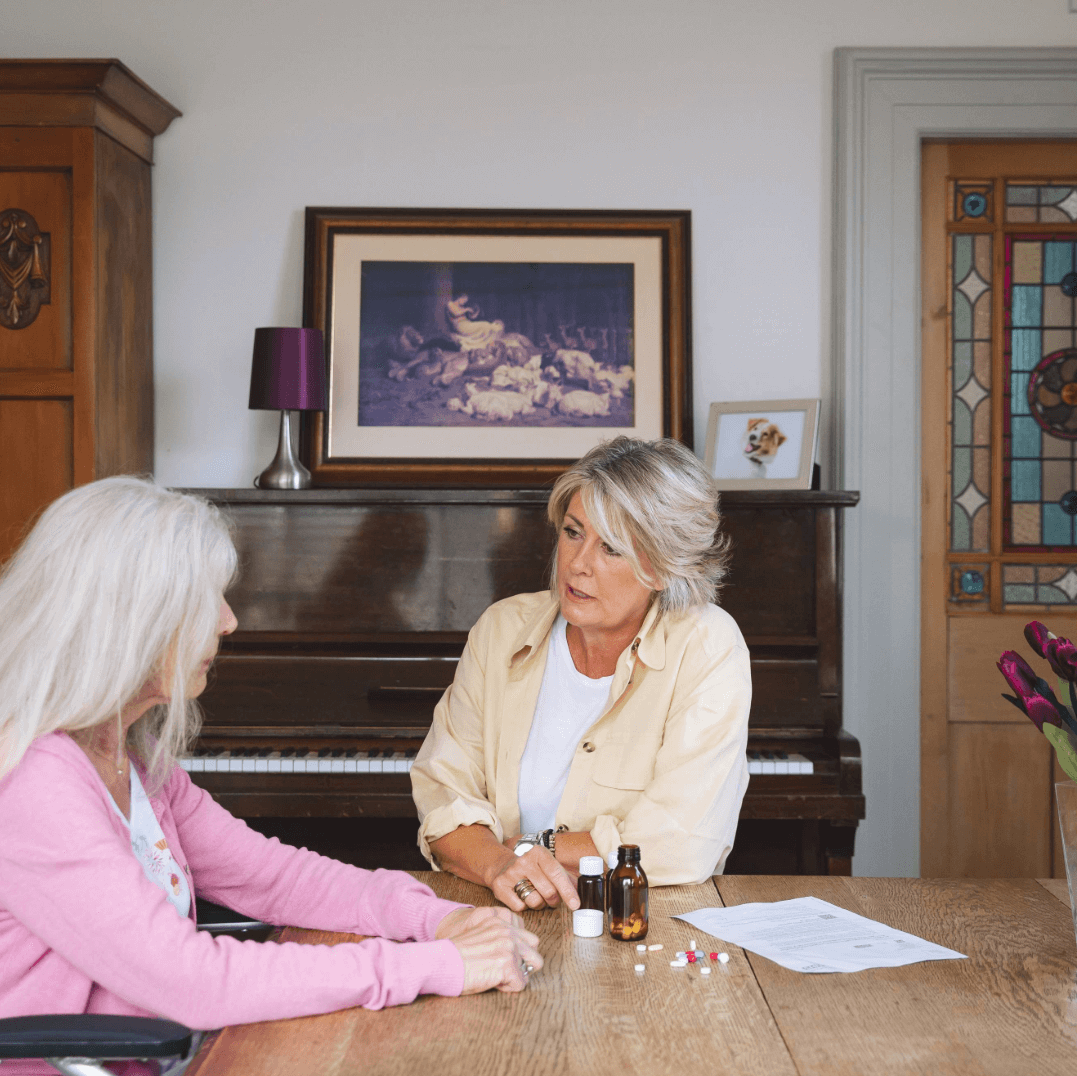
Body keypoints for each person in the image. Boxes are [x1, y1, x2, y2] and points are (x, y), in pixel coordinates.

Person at [0, 478, 541, 1072]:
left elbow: (281, 879)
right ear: (135, 617)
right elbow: (193, 982)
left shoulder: (135, 760)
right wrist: (438, 966)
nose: (230, 622)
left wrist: (441, 917)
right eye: (208, 599)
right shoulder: (35, 781)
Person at [411, 436, 752, 913]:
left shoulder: (706, 643)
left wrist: (531, 847)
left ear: (661, 565)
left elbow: (682, 841)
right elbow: (443, 793)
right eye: (573, 532)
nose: (577, 563)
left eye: (611, 548)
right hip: (497, 911)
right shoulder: (501, 630)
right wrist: (497, 866)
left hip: (639, 923)